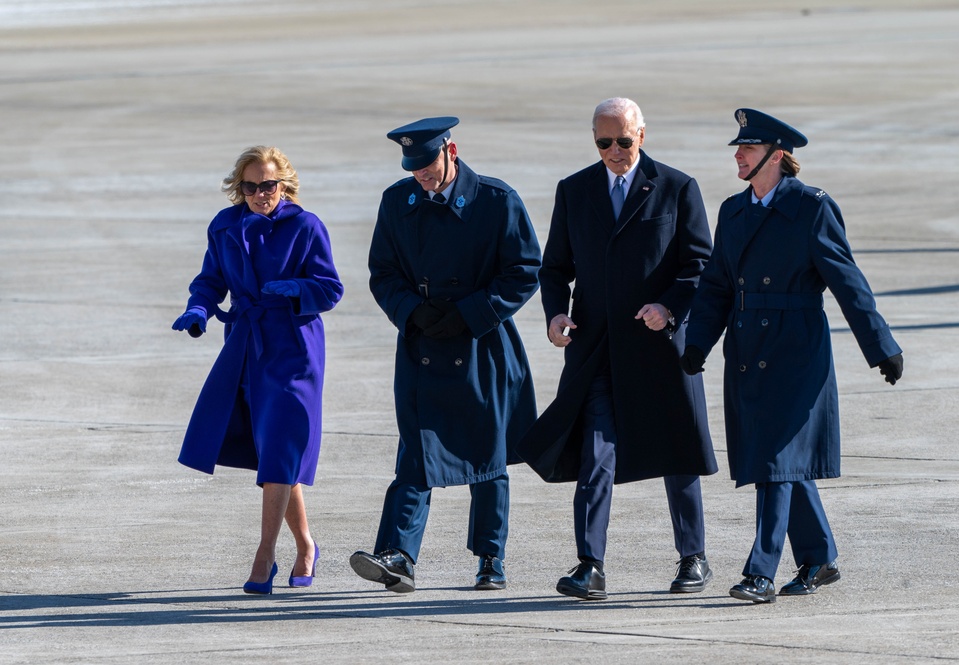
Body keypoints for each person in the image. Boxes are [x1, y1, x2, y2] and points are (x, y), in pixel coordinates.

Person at [680, 109, 904, 604]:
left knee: (773, 462)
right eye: (739, 148)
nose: (738, 155)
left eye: (749, 149)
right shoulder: (733, 211)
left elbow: (847, 282)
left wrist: (881, 346)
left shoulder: (812, 208)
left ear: (777, 156)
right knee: (780, 460)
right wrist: (697, 341)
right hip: (745, 348)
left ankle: (760, 571)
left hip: (796, 351)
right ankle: (820, 557)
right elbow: (716, 284)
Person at [516, 98, 718, 601]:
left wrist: (668, 307)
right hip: (598, 347)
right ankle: (591, 565)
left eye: (623, 141)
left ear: (642, 136)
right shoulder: (575, 190)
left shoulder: (677, 187)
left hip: (659, 346)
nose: (614, 151)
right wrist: (555, 314)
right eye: (603, 142)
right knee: (595, 454)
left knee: (678, 450)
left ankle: (693, 557)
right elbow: (554, 267)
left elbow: (699, 265)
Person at [351, 116, 541, 593]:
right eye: (413, 168)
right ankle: (398, 555)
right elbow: (383, 272)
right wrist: (412, 312)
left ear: (450, 151)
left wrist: (471, 313)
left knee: (487, 457)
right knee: (416, 450)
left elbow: (523, 271)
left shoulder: (497, 201)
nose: (423, 176)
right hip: (423, 344)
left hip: (482, 345)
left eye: (429, 165)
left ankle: (490, 558)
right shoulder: (397, 201)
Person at [172, 146, 343, 595]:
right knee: (274, 454)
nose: (260, 194)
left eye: (268, 185)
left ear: (284, 185)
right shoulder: (224, 226)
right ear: (239, 187)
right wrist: (198, 309)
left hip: (296, 349)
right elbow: (210, 281)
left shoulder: (307, 226)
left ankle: (264, 554)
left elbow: (330, 288)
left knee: (283, 447)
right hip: (248, 346)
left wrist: (298, 288)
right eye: (251, 186)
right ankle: (306, 545)